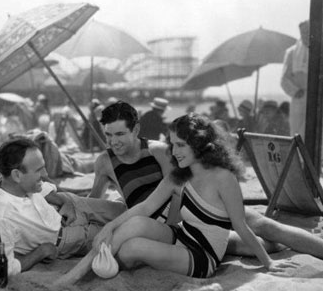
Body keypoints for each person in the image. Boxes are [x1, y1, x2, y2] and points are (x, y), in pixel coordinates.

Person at [58, 114, 296, 284]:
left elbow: (241, 227)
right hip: (182, 235)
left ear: (200, 144)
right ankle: (80, 272)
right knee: (134, 225)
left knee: (132, 248)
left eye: (181, 145)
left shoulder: (223, 179)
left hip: (203, 256)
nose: (174, 151)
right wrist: (109, 227)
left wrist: (268, 263)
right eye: (172, 144)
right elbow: (146, 206)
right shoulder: (180, 174)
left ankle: (88, 269)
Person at [87, 101, 323, 266]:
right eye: (108, 135)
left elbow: (181, 184)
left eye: (119, 135)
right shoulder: (104, 163)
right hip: (171, 227)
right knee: (246, 245)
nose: (113, 142)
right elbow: (95, 202)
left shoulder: (158, 151)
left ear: (135, 130)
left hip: (193, 208)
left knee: (264, 224)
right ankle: (279, 248)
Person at [0, 138, 126, 276]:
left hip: (68, 206)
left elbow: (43, 188)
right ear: (17, 175)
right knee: (127, 235)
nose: (45, 174)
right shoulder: (1, 218)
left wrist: (65, 202)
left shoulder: (14, 183)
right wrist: (40, 252)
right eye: (39, 170)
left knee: (124, 212)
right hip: (65, 239)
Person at [281, 20, 309, 138]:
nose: (306, 35)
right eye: (303, 32)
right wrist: (295, 91)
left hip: (318, 99)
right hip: (299, 99)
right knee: (298, 134)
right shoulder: (292, 52)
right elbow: (284, 79)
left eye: (308, 32)